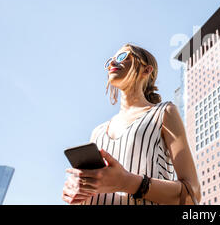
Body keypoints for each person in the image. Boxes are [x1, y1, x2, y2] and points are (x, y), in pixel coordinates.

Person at [62, 43, 201, 205]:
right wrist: (77, 190)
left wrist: (127, 182)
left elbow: (193, 194)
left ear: (146, 70)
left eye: (122, 58)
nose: (113, 63)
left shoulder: (164, 112)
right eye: (110, 61)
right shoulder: (97, 132)